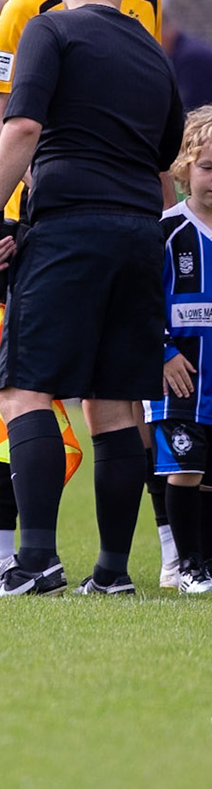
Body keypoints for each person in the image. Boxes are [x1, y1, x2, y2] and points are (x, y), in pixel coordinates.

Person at [0, 0, 169, 587]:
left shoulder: (47, 30)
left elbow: (19, 125)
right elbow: (165, 151)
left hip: (66, 226)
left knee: (25, 390)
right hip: (137, 230)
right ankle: (114, 571)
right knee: (116, 403)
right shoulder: (152, 46)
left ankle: (32, 561)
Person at [148, 105, 212, 595]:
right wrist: (166, 351)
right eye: (208, 167)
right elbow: (142, 299)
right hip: (182, 379)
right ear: (185, 167)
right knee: (185, 470)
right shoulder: (168, 230)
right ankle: (188, 564)